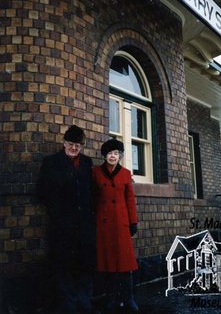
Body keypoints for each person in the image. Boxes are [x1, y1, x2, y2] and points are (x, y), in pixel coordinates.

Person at [38, 125, 97, 314]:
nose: (74, 148)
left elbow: (93, 192)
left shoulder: (87, 163)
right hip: (62, 226)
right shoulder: (51, 162)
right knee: (63, 266)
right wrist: (58, 214)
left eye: (78, 145)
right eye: (71, 144)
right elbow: (42, 192)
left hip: (85, 226)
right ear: (64, 143)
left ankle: (84, 303)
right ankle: (69, 306)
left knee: (85, 264)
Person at [93, 138, 139, 313]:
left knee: (125, 264)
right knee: (108, 264)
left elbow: (130, 199)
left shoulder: (126, 173)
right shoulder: (96, 172)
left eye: (116, 153)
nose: (113, 156)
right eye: (110, 153)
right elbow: (93, 198)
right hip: (103, 224)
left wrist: (133, 221)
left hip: (121, 224)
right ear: (104, 155)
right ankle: (111, 298)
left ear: (119, 156)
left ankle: (129, 298)